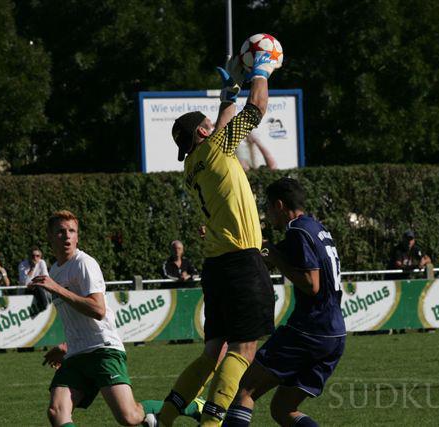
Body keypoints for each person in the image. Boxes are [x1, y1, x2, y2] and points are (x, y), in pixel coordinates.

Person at [160, 53, 280, 426]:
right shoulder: (216, 149)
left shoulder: (191, 166)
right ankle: (212, 424)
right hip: (241, 261)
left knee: (213, 352)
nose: (214, 127)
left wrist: (226, 97)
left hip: (216, 266)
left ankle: (163, 419)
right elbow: (257, 106)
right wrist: (262, 68)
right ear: (202, 133)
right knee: (243, 350)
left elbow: (218, 129)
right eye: (209, 125)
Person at [223, 177, 346, 427]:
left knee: (245, 390)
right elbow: (271, 253)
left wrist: (276, 259)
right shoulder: (316, 228)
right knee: (283, 408)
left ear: (279, 205)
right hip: (334, 334)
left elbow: (312, 284)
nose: (269, 215)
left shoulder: (297, 231)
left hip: (309, 329)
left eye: (268, 208)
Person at [28, 210, 151, 426]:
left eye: (72, 231)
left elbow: (98, 310)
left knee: (130, 417)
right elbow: (74, 314)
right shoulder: (55, 270)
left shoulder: (84, 263)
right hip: (76, 354)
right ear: (49, 236)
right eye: (60, 232)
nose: (67, 236)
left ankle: (185, 405)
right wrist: (67, 346)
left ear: (77, 236)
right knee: (57, 411)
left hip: (103, 348)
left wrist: (57, 289)